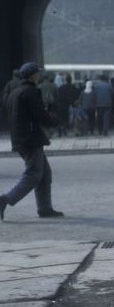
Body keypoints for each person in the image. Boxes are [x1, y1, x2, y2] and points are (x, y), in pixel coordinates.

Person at [0, 62, 63, 221]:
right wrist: (54, 118)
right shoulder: (31, 91)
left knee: (44, 174)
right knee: (34, 174)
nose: (40, 76)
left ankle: (44, 208)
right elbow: (40, 116)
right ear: (33, 75)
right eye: (38, 73)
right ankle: (5, 199)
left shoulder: (15, 93)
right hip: (30, 139)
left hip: (20, 138)